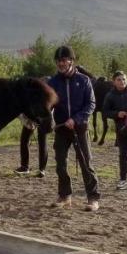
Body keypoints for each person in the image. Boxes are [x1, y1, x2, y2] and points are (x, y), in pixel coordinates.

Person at [47, 45, 101, 211]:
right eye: (58, 61)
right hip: (62, 128)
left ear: (71, 61)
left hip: (79, 128)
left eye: (63, 60)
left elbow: (91, 104)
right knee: (60, 164)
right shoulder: (53, 82)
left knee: (86, 163)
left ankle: (93, 198)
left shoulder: (83, 81)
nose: (61, 64)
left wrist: (76, 119)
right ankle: (65, 196)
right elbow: (48, 103)